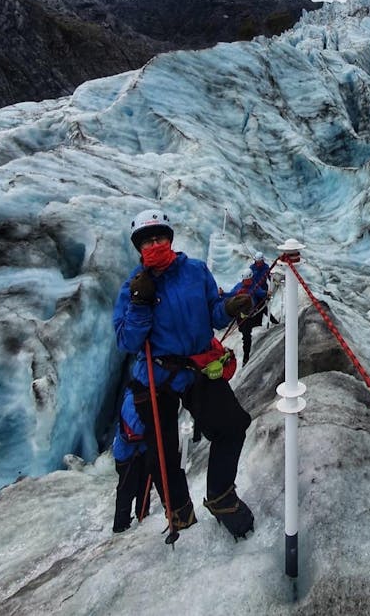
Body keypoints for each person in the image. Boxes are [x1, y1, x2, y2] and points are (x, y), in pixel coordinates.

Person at [113, 208, 254, 540]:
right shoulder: (132, 287)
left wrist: (230, 307)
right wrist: (139, 302)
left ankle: (220, 497)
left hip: (195, 367)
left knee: (233, 425)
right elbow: (128, 340)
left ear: (170, 238)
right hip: (155, 375)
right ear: (138, 248)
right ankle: (180, 513)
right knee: (161, 451)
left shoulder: (195, 271)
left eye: (160, 237)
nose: (155, 244)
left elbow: (214, 313)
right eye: (147, 241)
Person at [112, 386, 153, 533]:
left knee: (144, 484)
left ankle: (143, 515)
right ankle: (120, 526)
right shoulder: (130, 401)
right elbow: (136, 427)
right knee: (127, 489)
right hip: (127, 454)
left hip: (141, 450)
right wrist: (153, 429)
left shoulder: (141, 397)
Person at [224, 269, 268, 367]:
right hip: (242, 316)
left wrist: (267, 294)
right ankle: (246, 357)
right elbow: (232, 294)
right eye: (246, 280)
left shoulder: (255, 286)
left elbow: (261, 293)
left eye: (248, 280)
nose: (247, 282)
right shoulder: (239, 287)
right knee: (245, 335)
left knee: (246, 336)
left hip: (251, 315)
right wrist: (223, 294)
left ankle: (246, 357)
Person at [249, 251, 279, 326]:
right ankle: (266, 321)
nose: (258, 263)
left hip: (264, 290)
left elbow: (269, 276)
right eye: (257, 262)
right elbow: (249, 280)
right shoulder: (252, 268)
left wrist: (274, 281)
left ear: (263, 261)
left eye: (260, 262)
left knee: (263, 306)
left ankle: (267, 322)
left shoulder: (266, 267)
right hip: (255, 291)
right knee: (256, 307)